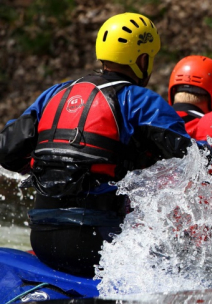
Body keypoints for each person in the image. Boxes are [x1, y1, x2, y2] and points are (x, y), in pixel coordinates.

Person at [0, 13, 194, 277]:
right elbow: (188, 156)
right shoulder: (140, 100)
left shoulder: (54, 94)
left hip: (42, 239)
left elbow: (7, 152)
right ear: (142, 60)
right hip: (97, 245)